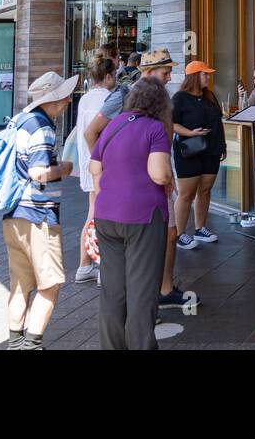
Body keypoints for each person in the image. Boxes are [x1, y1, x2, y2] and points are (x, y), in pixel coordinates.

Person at [83, 48, 195, 309]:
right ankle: (145, 300)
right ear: (147, 73)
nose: (169, 78)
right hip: (136, 187)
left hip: (160, 173)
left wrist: (167, 173)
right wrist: (108, 170)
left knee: (170, 233)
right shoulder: (123, 95)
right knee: (146, 243)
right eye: (165, 72)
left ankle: (164, 289)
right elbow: (92, 133)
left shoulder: (162, 97)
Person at [91, 75, 175, 349]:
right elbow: (159, 173)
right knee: (142, 291)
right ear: (160, 103)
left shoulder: (114, 124)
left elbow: (95, 168)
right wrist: (170, 177)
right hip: (143, 217)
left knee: (113, 292)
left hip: (106, 216)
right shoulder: (155, 129)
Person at [3, 71, 76, 350]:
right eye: (65, 96)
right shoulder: (42, 127)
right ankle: (31, 344)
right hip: (38, 215)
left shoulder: (20, 120)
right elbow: (38, 172)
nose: (69, 100)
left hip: (14, 212)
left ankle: (15, 341)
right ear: (53, 98)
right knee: (51, 282)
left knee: (21, 282)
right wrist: (64, 169)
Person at [171, 61, 225, 250]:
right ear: (194, 76)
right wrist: (190, 133)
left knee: (205, 190)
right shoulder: (179, 98)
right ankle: (178, 233)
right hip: (189, 151)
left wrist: (222, 146)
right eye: (205, 74)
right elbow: (171, 123)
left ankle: (200, 228)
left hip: (212, 150)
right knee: (186, 194)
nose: (208, 78)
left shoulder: (209, 96)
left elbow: (218, 122)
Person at [72, 53, 116, 284]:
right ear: (108, 76)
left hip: (88, 163)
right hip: (104, 164)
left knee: (92, 213)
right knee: (103, 216)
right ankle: (102, 266)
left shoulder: (85, 99)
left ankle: (84, 265)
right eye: (114, 75)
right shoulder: (109, 99)